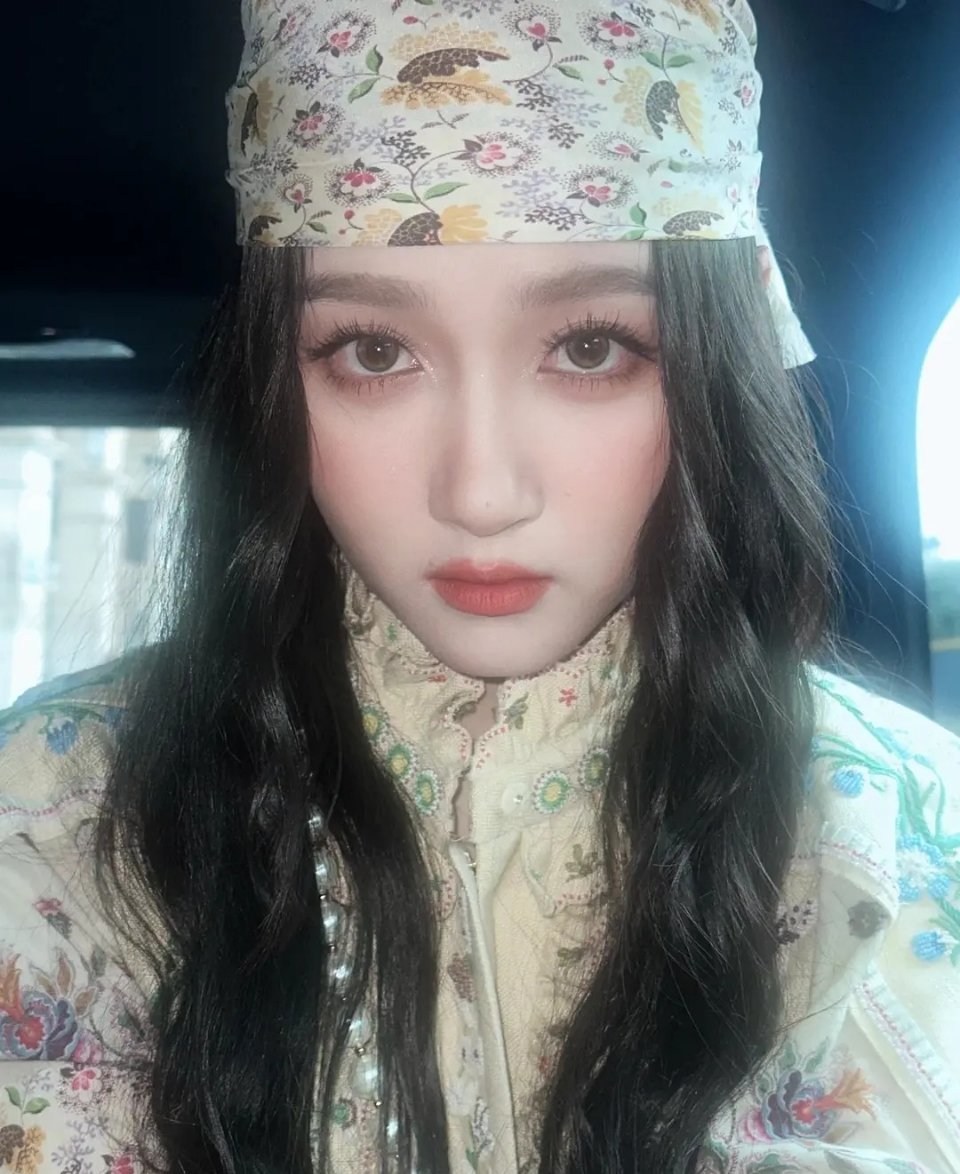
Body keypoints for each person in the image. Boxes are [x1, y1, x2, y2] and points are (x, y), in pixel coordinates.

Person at [0, 2, 958, 1172]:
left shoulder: (907, 836)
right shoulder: (57, 815)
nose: (483, 492)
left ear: (709, 370)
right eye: (374, 351)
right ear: (276, 384)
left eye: (591, 347)